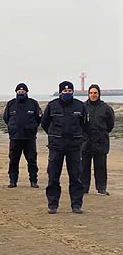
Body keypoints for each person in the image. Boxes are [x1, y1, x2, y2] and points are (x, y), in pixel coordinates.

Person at [41, 81, 88, 214]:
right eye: (64, 91)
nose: (67, 93)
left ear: (73, 91)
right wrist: (54, 136)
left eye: (69, 91)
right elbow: (45, 123)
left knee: (76, 177)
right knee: (53, 176)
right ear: (60, 91)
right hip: (56, 146)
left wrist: (78, 137)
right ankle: (52, 204)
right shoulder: (52, 105)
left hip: (74, 146)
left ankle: (76, 205)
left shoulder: (80, 106)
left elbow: (85, 125)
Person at [3, 83, 42, 188]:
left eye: (23, 92)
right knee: (13, 160)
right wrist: (13, 128)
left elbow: (39, 118)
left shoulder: (33, 103)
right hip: (15, 138)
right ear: (16, 92)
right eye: (19, 92)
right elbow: (6, 118)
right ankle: (13, 181)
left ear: (26, 92)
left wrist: (32, 128)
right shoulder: (11, 104)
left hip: (29, 138)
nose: (21, 93)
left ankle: (33, 181)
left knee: (32, 160)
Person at [81, 84, 115, 196]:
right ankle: (84, 188)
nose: (93, 95)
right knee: (84, 166)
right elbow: (79, 123)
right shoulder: (83, 107)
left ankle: (101, 188)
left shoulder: (106, 108)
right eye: (91, 93)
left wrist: (102, 134)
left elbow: (110, 124)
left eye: (95, 93)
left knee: (100, 166)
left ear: (99, 94)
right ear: (88, 94)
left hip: (100, 141)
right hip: (86, 141)